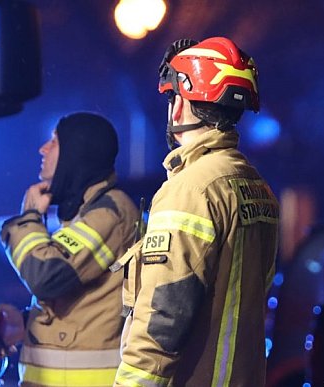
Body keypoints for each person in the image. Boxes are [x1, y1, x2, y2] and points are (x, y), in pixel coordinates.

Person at [113, 37, 279, 386]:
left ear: (179, 106)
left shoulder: (190, 189)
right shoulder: (255, 185)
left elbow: (163, 317)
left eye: (172, 97)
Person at [0, 112, 139, 386]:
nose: (43, 149)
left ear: (76, 153)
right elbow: (82, 305)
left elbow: (45, 274)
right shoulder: (86, 213)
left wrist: (28, 218)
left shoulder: (110, 213)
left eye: (54, 141)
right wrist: (25, 320)